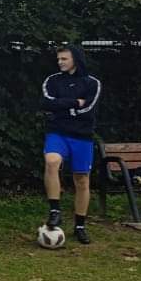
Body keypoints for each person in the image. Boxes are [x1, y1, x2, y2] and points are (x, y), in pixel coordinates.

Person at [41, 45, 101, 244]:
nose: (60, 62)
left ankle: (80, 225)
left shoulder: (92, 83)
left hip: (82, 136)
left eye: (64, 59)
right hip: (57, 132)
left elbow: (89, 109)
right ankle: (55, 211)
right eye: (58, 59)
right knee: (51, 161)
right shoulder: (52, 80)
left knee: (81, 180)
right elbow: (47, 103)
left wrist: (63, 106)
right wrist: (75, 103)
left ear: (75, 59)